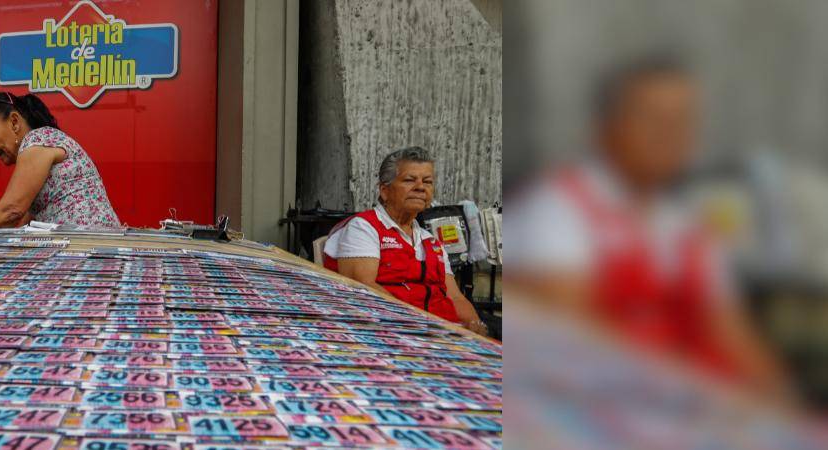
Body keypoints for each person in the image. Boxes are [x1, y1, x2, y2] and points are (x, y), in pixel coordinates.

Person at [508, 57, 784, 389]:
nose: (668, 134)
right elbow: (568, 341)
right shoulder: (556, 208)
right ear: (605, 127)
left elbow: (733, 335)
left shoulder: (689, 225)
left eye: (681, 121)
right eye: (651, 118)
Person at [322, 147, 487, 334]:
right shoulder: (364, 227)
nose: (420, 187)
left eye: (428, 181)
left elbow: (455, 297)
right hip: (395, 334)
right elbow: (363, 290)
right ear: (384, 190)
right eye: (409, 180)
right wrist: (423, 327)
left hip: (444, 333)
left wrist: (476, 327)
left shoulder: (430, 241)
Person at [0, 92, 121, 228]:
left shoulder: (37, 140)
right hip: (90, 242)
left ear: (14, 122)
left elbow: (11, 210)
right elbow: (24, 223)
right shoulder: (44, 142)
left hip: (87, 243)